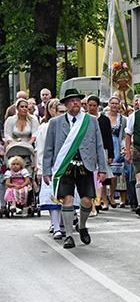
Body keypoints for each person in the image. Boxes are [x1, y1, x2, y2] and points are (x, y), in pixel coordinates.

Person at [42, 88, 108, 249]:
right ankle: (69, 236)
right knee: (67, 200)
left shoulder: (90, 120)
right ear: (66, 104)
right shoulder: (55, 123)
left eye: (78, 100)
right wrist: (46, 170)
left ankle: (83, 225)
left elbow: (99, 145)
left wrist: (102, 169)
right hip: (65, 167)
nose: (75, 103)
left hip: (85, 165)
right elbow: (49, 148)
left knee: (86, 201)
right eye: (71, 101)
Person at [36, 98, 67, 237]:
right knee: (52, 197)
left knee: (66, 195)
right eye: (54, 109)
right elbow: (41, 149)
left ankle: (62, 223)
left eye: (61, 110)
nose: (58, 113)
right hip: (52, 166)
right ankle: (56, 226)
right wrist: (41, 168)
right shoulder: (45, 127)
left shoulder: (71, 126)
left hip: (67, 165)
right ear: (49, 111)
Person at [86, 96, 114, 213]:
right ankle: (95, 200)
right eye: (90, 105)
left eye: (94, 105)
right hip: (88, 150)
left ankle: (103, 200)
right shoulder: (84, 119)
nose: (92, 108)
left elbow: (108, 137)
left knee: (102, 176)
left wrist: (110, 154)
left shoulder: (104, 120)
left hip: (102, 150)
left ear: (98, 106)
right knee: (92, 176)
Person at [106, 96, 127, 208]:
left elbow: (124, 135)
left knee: (115, 174)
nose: (114, 105)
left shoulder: (123, 119)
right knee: (104, 173)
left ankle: (112, 194)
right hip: (106, 146)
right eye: (112, 103)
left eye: (116, 103)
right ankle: (104, 198)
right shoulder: (103, 117)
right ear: (109, 104)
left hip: (117, 145)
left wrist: (124, 147)